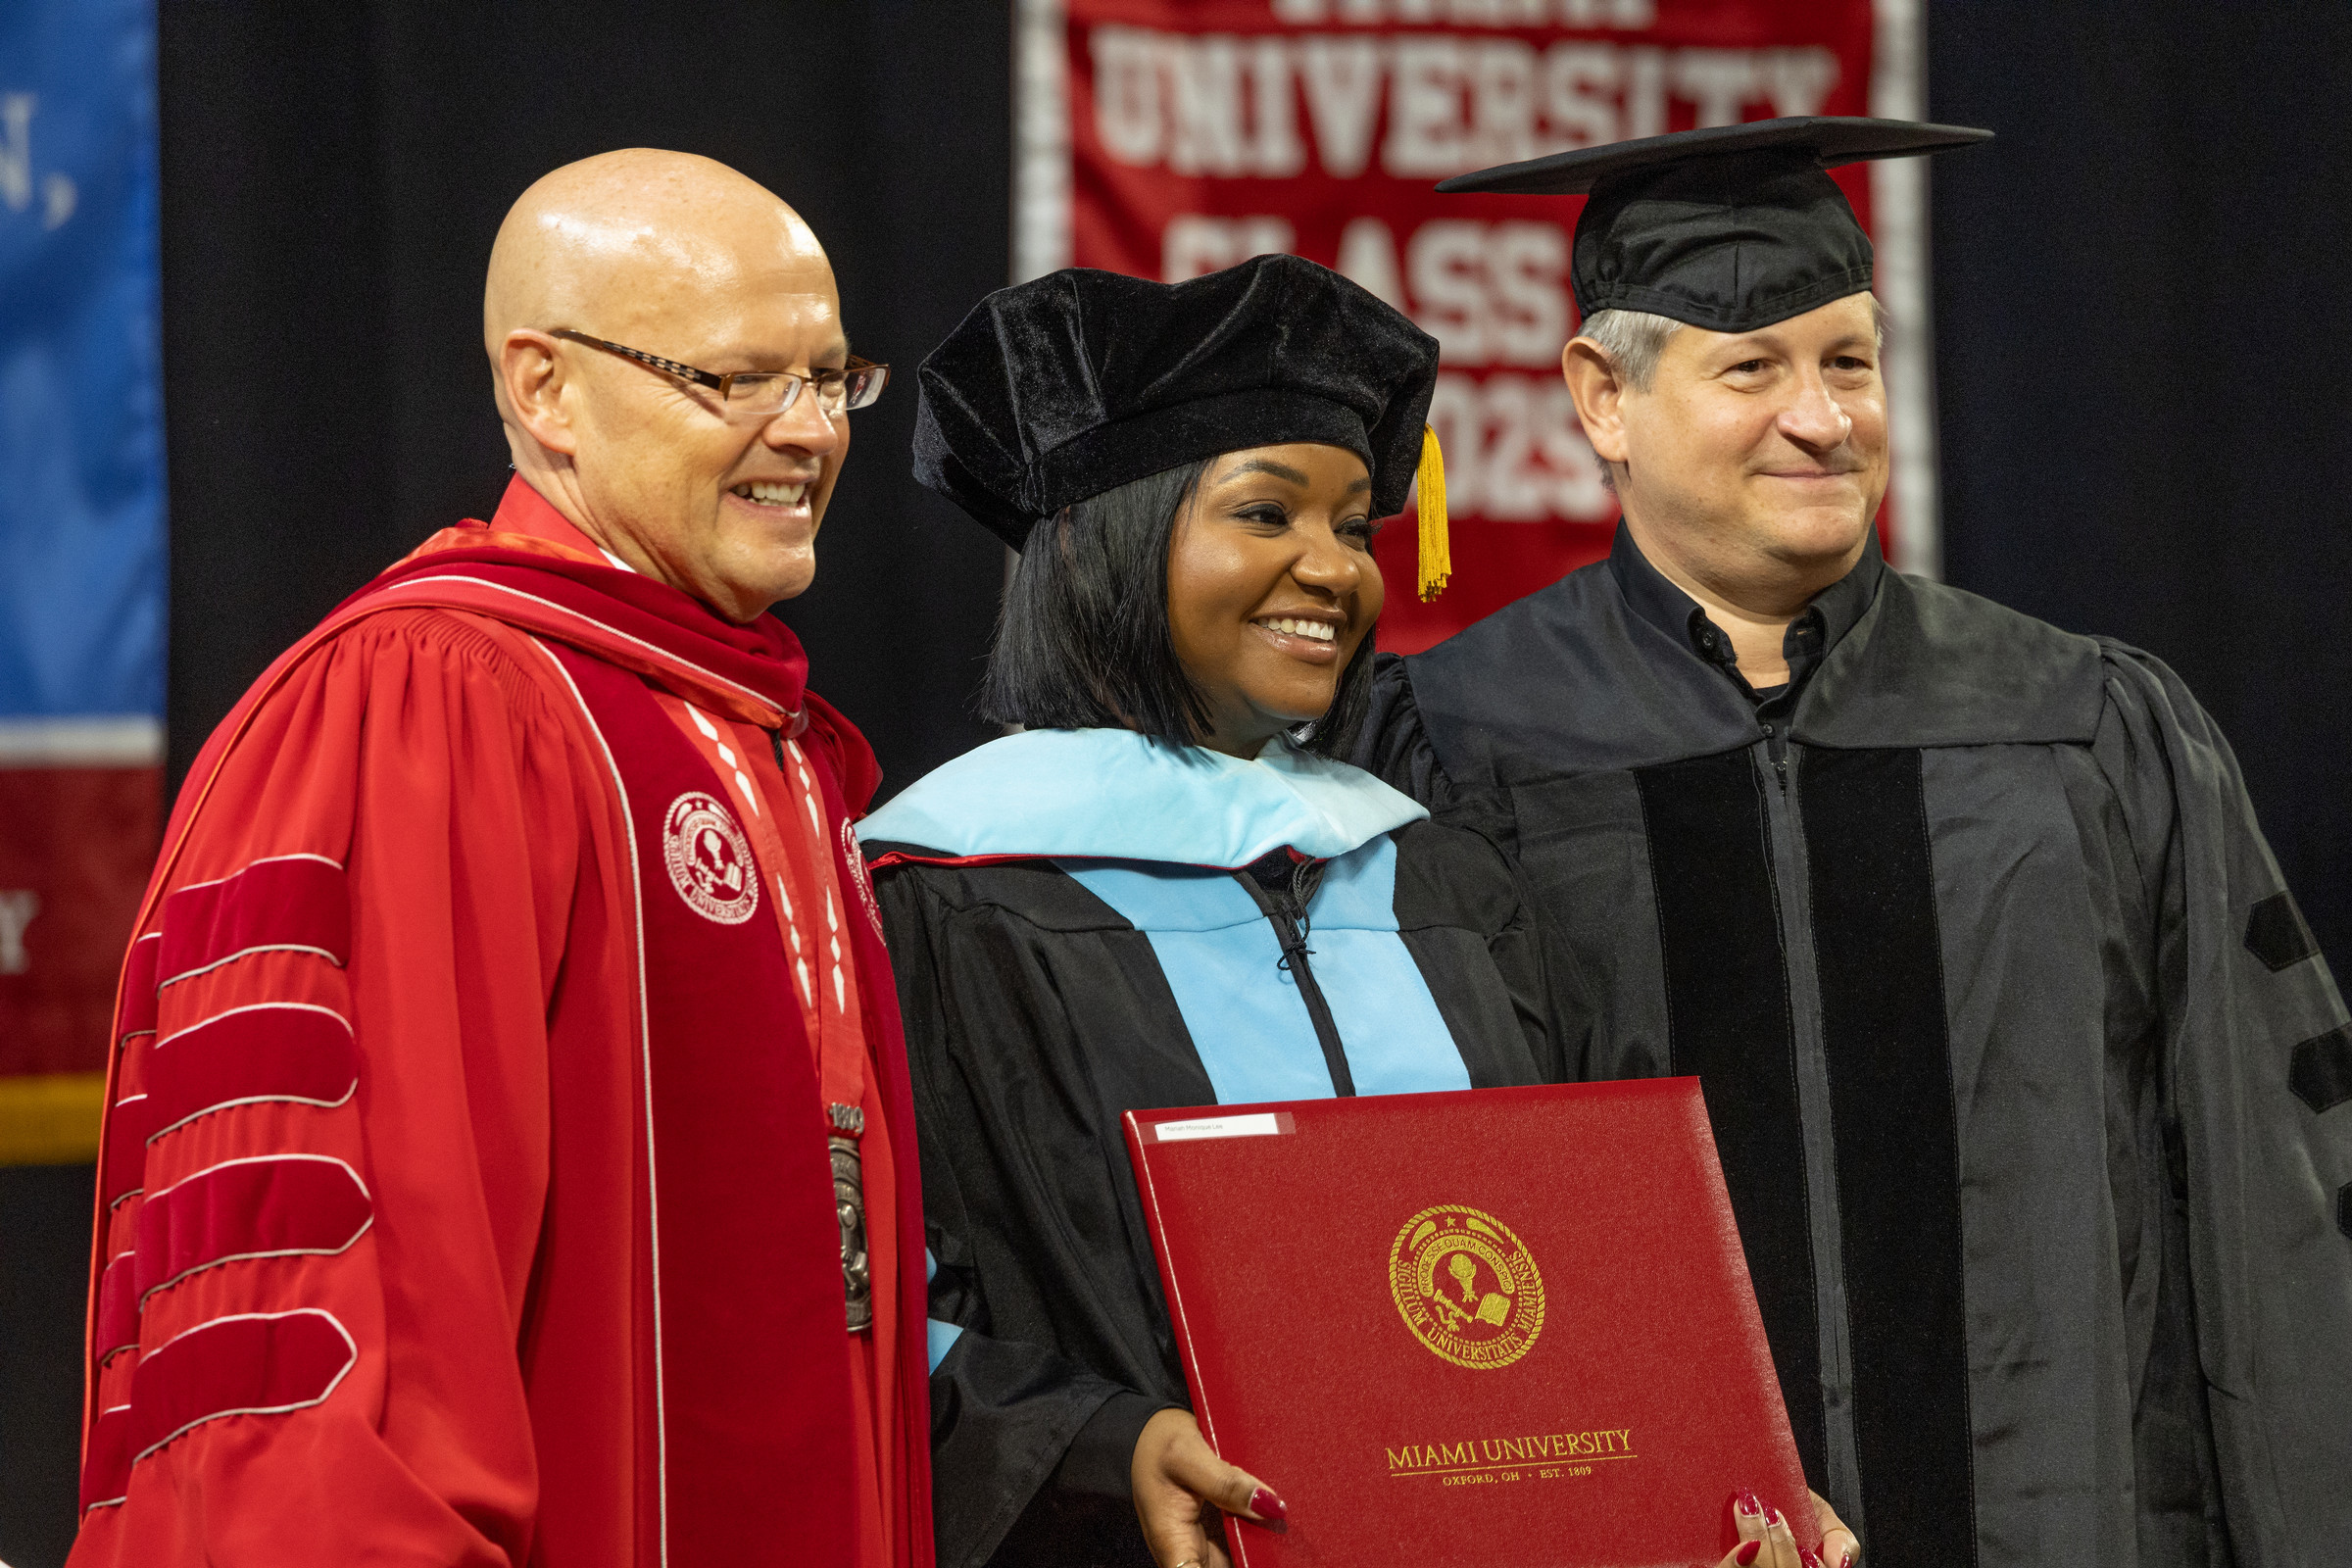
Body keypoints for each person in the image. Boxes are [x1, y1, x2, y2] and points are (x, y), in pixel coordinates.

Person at [1355, 116, 2352, 1566]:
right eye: (1751, 367)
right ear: (1601, 397)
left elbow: (2277, 1202)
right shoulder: (1454, 748)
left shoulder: (2090, 725)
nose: (1821, 418)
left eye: (1848, 362)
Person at [863, 255, 1853, 1568]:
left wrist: (1723, 1474)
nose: (1328, 568)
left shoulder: (1431, 876)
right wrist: (1104, 1451)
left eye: (1350, 527)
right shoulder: (948, 895)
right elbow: (857, 1314)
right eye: (1267, 515)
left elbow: (1579, 1274)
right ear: (1106, 536)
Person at [70, 150, 932, 1568]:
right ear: (544, 389)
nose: (810, 432)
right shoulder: (430, 704)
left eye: (832, 378)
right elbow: (343, 1293)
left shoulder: (765, 743)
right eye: (740, 381)